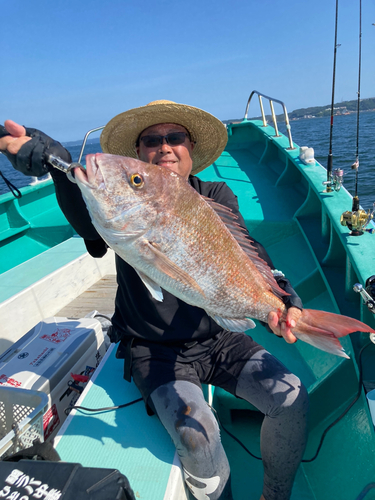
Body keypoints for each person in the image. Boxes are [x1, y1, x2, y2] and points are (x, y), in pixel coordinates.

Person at [0, 100, 309, 500]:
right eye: (151, 140)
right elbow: (89, 222)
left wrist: (286, 301)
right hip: (154, 350)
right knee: (197, 435)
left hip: (221, 338)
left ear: (190, 148)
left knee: (292, 396)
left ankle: (275, 495)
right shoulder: (115, 207)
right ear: (140, 153)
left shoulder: (215, 195)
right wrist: (59, 167)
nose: (164, 147)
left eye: (175, 137)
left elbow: (250, 253)